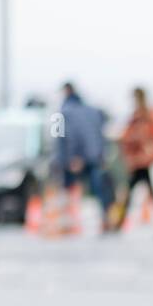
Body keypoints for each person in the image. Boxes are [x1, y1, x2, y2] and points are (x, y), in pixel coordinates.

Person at [115, 87, 153, 237]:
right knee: (142, 193)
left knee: (136, 193)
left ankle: (118, 224)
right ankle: (118, 224)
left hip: (141, 161)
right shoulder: (145, 114)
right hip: (142, 161)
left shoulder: (142, 115)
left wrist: (125, 138)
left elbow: (139, 136)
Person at [53, 83, 113, 231]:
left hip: (73, 158)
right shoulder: (93, 111)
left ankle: (66, 223)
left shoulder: (60, 113)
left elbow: (61, 138)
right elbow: (101, 135)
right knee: (98, 190)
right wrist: (101, 155)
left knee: (67, 189)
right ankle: (105, 219)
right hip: (94, 156)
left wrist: (73, 157)